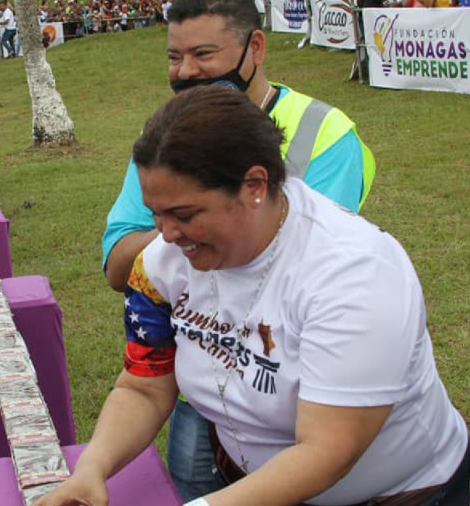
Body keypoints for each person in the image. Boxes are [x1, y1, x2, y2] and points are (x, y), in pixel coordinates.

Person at [37, 85, 469, 506]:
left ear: (255, 186)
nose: (165, 235)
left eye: (184, 214)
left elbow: (327, 450)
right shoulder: (160, 264)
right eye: (155, 215)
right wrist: (91, 469)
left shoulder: (355, 274)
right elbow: (142, 388)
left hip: (406, 494)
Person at [100, 0, 377, 499]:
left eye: (203, 53)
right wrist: (191, 225)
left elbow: (288, 266)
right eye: (173, 57)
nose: (186, 73)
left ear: (256, 47)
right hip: (202, 387)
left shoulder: (325, 133)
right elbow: (122, 263)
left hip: (293, 382)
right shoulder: (165, 138)